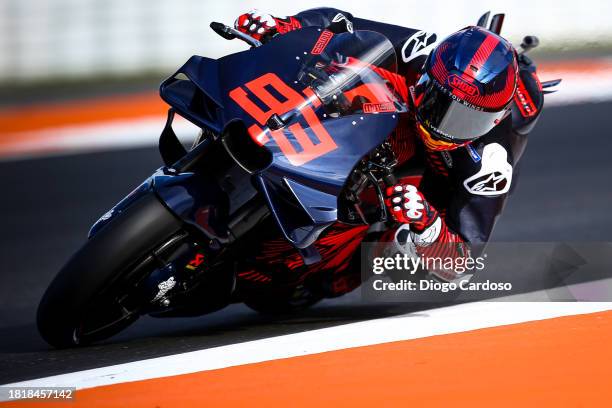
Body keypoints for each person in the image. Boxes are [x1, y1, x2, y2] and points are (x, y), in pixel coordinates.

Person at [231, 8, 544, 301]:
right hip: (398, 117)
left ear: (495, 119)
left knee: (391, 261)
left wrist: (427, 221)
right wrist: (284, 27)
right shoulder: (418, 52)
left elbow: (463, 265)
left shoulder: (490, 162)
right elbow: (339, 24)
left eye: (466, 120)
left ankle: (308, 268)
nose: (443, 127)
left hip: (433, 187)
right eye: (438, 101)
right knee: (342, 74)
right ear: (428, 77)